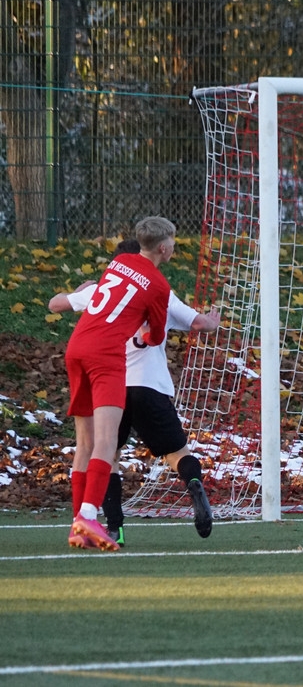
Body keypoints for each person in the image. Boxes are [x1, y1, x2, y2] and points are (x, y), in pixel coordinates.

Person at [50, 239, 221, 545]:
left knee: (106, 453)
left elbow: (55, 304)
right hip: (148, 385)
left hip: (106, 378)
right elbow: (198, 323)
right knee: (176, 453)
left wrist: (77, 292)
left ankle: (113, 527)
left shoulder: (102, 289)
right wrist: (212, 320)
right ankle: (193, 482)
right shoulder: (160, 291)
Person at [62, 216, 174, 551]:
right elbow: (156, 334)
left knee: (85, 443)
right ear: (164, 248)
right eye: (173, 242)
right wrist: (146, 334)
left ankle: (78, 525)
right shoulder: (159, 285)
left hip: (77, 347)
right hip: (105, 356)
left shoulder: (120, 261)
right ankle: (88, 516)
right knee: (106, 442)